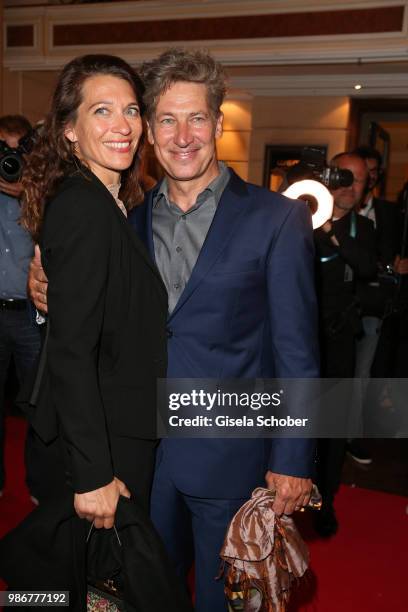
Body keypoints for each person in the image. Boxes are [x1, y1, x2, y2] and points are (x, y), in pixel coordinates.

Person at [29, 48, 319, 611]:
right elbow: (91, 327)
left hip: (229, 454)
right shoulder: (124, 218)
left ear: (218, 123)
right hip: (136, 461)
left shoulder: (276, 218)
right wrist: (46, 299)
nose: (181, 135)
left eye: (196, 118)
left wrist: (293, 457)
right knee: (141, 596)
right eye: (165, 118)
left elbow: (298, 351)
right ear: (149, 132)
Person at [15, 54, 168, 592]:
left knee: (80, 585)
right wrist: (93, 474)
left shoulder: (113, 200)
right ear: (70, 130)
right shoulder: (83, 206)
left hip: (107, 424)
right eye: (101, 111)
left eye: (131, 110)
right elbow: (71, 352)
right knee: (86, 585)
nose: (122, 125)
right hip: (98, 439)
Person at [314, 152, 377, 536]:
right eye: (344, 177)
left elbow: (367, 266)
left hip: (338, 338)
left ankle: (326, 502)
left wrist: (330, 231)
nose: (352, 187)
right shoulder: (298, 213)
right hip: (296, 337)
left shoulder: (361, 229)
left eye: (359, 180)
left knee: (331, 427)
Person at [0, 114, 41, 500]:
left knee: (39, 407)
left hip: (31, 316)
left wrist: (31, 192)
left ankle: (38, 485)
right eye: (3, 150)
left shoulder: (46, 195)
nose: (11, 159)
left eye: (19, 150)